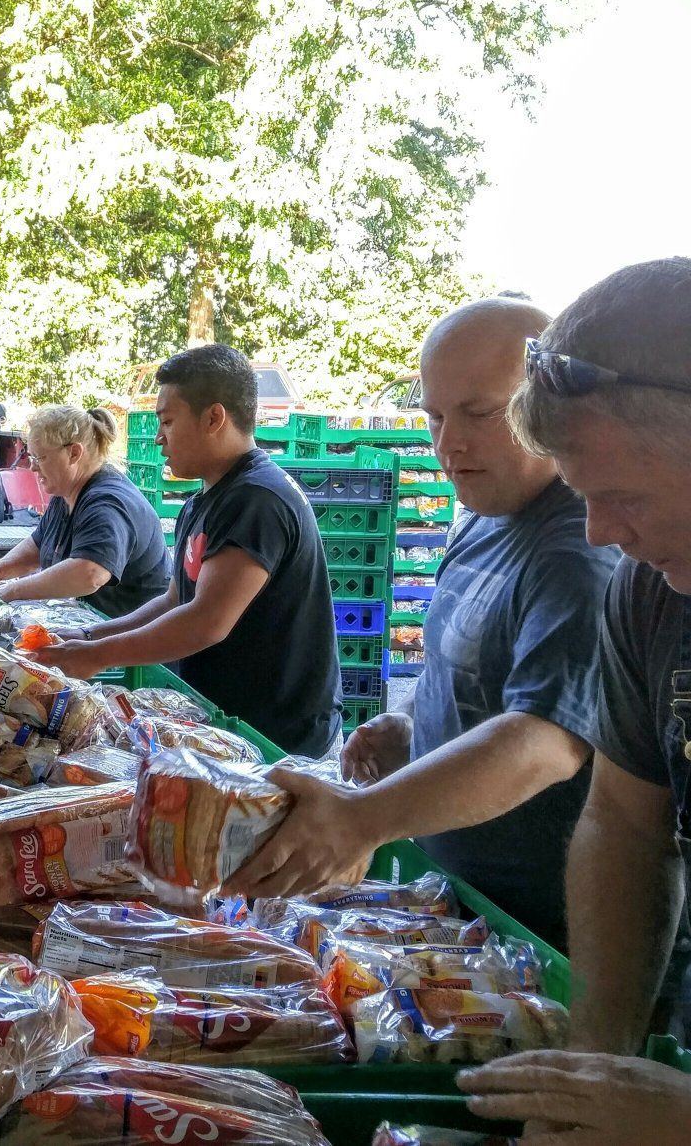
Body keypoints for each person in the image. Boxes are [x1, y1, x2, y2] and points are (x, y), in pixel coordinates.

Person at [224, 298, 619, 951]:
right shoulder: (483, 515)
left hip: (548, 944)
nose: (448, 442)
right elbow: (458, 666)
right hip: (460, 909)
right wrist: (411, 723)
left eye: (478, 413)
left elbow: (545, 741)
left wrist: (363, 818)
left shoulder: (578, 551)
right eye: (434, 415)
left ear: (549, 403)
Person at [456, 258, 691, 1137]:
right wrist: (595, 1068)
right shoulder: (649, 594)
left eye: (623, 496)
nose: (602, 532)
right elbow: (626, 824)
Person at [33, 344, 341, 759]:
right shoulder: (207, 499)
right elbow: (176, 599)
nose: (159, 437)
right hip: (228, 724)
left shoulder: (256, 501)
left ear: (214, 417)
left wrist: (96, 655)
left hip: (277, 740)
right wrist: (90, 634)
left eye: (168, 421)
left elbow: (206, 621)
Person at [0, 405, 169, 618]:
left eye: (39, 458)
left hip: (133, 632)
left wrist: (13, 591)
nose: (32, 467)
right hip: (93, 623)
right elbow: (38, 545)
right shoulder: (66, 493)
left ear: (74, 453)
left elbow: (89, 573)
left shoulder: (107, 504)